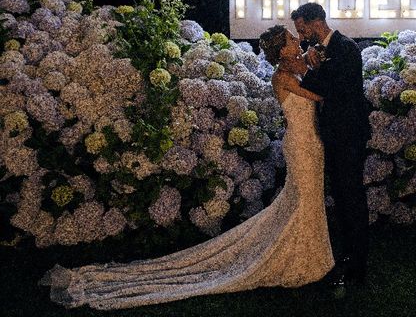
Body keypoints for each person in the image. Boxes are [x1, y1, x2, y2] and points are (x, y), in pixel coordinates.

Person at [39, 25, 334, 310]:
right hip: (301, 144)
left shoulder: (295, 68)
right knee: (305, 197)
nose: (297, 39)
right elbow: (320, 96)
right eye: (291, 39)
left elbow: (310, 76)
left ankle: (310, 254)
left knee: (306, 197)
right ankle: (301, 258)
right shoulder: (284, 75)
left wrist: (311, 62)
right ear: (282, 49)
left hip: (311, 142)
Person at [291, 3, 371, 287]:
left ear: (316, 23)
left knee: (351, 197)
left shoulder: (346, 48)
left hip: (348, 136)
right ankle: (348, 254)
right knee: (342, 196)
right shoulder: (322, 51)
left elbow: (329, 88)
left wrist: (312, 67)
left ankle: (358, 262)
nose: (301, 36)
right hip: (336, 136)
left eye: (302, 29)